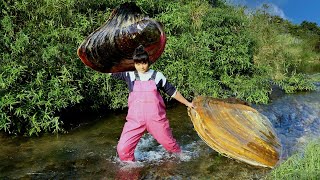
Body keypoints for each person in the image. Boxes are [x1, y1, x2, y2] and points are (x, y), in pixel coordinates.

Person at [110, 45, 194, 162]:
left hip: (156, 119)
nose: (141, 66)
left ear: (149, 61)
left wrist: (187, 103)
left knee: (169, 144)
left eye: (144, 63)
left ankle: (180, 156)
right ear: (134, 63)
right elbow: (109, 70)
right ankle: (131, 167)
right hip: (135, 120)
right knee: (122, 149)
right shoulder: (129, 75)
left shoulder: (157, 76)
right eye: (138, 64)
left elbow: (172, 91)